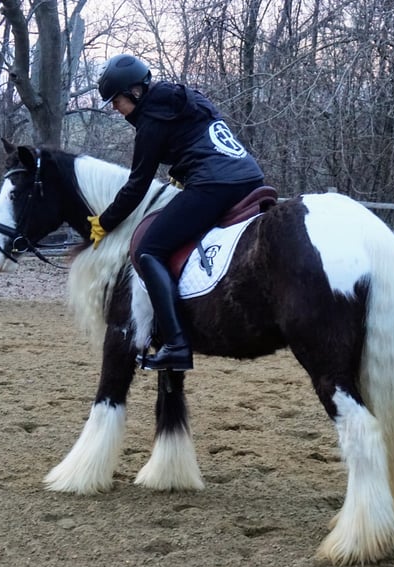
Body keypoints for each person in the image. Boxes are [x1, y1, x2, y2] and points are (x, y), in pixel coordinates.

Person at [88, 54, 265, 371]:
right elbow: (198, 139)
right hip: (249, 178)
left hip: (215, 184)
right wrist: (183, 171)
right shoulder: (185, 97)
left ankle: (177, 344)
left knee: (148, 250)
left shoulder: (151, 121)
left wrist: (105, 221)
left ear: (135, 92)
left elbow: (137, 185)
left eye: (116, 100)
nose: (115, 108)